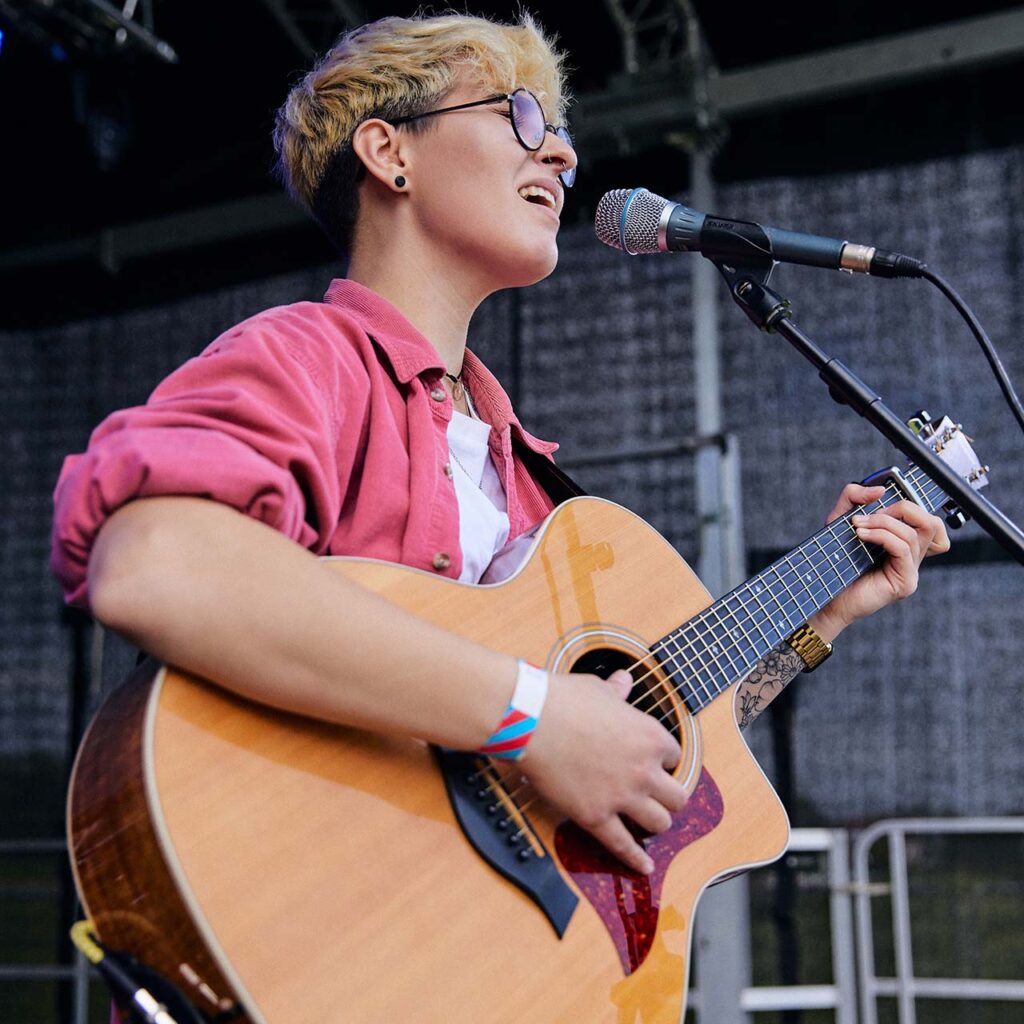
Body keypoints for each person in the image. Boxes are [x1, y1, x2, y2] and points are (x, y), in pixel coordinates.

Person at [52, 10, 948, 887]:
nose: (560, 153)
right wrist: (530, 716)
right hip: (308, 897)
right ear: (388, 152)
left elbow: (634, 734)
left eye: (559, 132)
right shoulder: (306, 356)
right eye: (519, 114)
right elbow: (155, 565)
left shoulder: (519, 470)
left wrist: (821, 613)